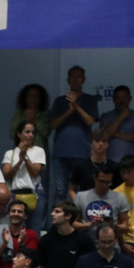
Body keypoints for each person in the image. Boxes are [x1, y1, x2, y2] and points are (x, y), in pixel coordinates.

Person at [49, 66, 98, 213]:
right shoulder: (59, 101)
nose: (75, 79)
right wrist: (69, 111)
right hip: (60, 153)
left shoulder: (90, 100)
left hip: (81, 153)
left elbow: (90, 121)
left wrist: (76, 107)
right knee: (60, 191)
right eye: (72, 77)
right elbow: (53, 124)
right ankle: (58, 224)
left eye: (78, 76)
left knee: (82, 191)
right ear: (68, 80)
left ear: (83, 80)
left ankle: (82, 223)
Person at [2, 121, 46, 225]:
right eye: (27, 132)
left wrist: (25, 156)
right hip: (15, 196)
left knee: (34, 231)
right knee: (16, 229)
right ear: (19, 134)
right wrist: (19, 162)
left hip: (34, 195)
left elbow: (35, 172)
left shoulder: (39, 151)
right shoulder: (10, 153)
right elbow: (6, 174)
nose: (31, 135)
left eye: (32, 132)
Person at [74, 165, 131, 243]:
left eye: (108, 182)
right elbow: (73, 224)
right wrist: (90, 224)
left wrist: (112, 226)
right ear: (95, 177)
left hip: (110, 243)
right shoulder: (81, 197)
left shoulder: (120, 197)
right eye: (101, 181)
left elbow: (126, 227)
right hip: (87, 243)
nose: (104, 185)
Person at [98, 86, 134, 164]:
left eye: (124, 97)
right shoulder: (106, 116)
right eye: (118, 98)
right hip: (110, 161)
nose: (121, 101)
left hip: (130, 162)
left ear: (130, 99)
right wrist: (121, 117)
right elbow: (105, 135)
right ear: (113, 99)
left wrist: (116, 134)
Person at [11, 83, 51, 151]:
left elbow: (46, 132)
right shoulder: (19, 114)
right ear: (25, 98)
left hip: (40, 149)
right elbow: (13, 133)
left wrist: (37, 123)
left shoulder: (44, 114)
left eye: (36, 96)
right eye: (30, 96)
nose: (33, 98)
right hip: (21, 148)